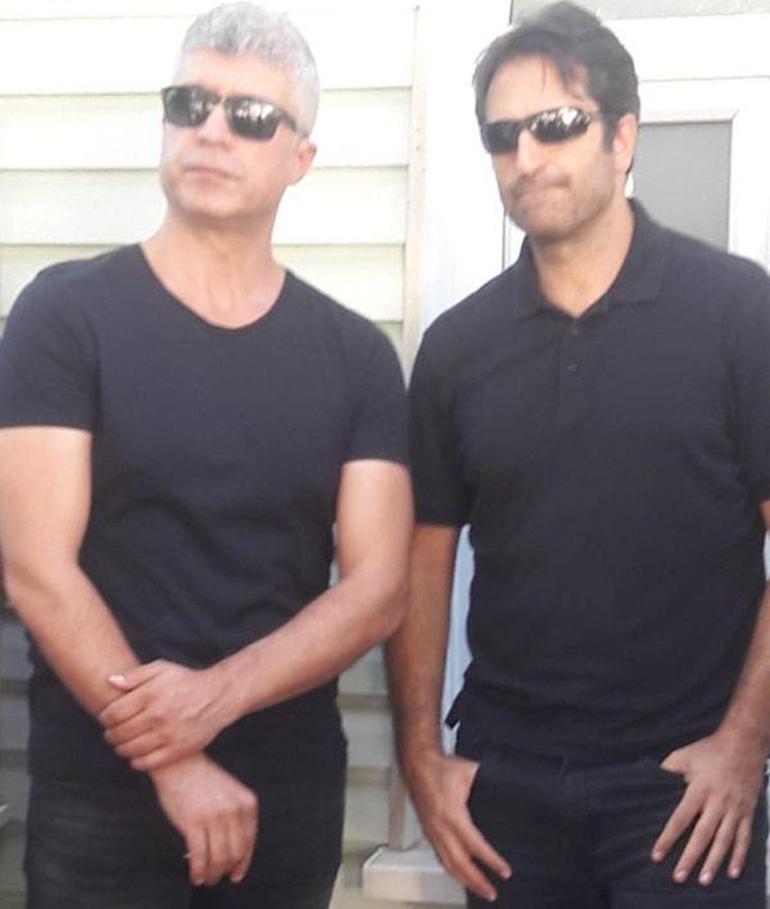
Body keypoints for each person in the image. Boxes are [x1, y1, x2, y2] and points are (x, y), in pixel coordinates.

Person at [0, 4, 412, 907]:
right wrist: (175, 759)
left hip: (285, 787)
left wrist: (214, 697)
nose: (213, 130)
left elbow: (378, 586)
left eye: (252, 115)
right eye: (190, 104)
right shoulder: (64, 316)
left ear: (300, 156)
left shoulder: (355, 356)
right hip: (101, 788)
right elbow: (34, 565)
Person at [387, 3, 770, 906]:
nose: (526, 156)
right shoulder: (458, 348)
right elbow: (422, 560)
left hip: (681, 790)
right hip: (507, 792)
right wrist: (420, 755)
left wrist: (744, 742)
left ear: (622, 136)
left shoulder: (736, 314)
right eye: (503, 135)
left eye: (556, 124)